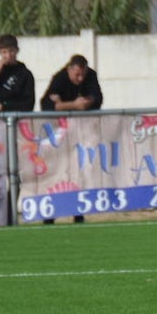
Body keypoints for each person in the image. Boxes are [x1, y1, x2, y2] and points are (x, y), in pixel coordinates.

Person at [40, 55, 104, 223]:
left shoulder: (91, 75)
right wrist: (73, 106)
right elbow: (46, 105)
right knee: (56, 174)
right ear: (69, 69)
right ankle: (50, 214)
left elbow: (97, 99)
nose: (80, 78)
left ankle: (78, 213)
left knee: (79, 173)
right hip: (59, 136)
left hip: (81, 135)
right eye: (77, 75)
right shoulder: (59, 78)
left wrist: (83, 102)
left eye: (83, 74)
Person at [0, 34, 35, 113]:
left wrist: (5, 107)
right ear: (0, 53)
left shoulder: (25, 74)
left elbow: (29, 104)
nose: (8, 55)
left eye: (11, 51)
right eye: (4, 52)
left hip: (15, 118)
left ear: (17, 50)